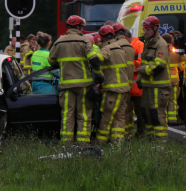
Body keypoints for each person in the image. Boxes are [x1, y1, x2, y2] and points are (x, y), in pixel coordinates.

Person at [49, 15, 102, 144]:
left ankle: (66, 143)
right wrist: (100, 76)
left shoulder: (59, 42)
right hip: (84, 85)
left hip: (66, 85)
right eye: (82, 27)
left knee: (67, 114)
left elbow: (51, 60)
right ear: (78, 27)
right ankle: (83, 143)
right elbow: (94, 61)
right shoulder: (84, 42)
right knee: (83, 114)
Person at [137, 16, 171, 140]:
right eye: (144, 29)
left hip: (158, 86)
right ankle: (150, 140)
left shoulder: (160, 44)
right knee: (147, 113)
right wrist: (140, 78)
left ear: (156, 28)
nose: (145, 32)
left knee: (157, 114)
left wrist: (142, 71)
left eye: (148, 29)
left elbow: (159, 65)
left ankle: (160, 142)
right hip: (148, 85)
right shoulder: (149, 42)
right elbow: (144, 62)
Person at [94, 25, 130, 144]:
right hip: (124, 89)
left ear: (102, 37)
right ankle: (118, 142)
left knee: (106, 116)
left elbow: (95, 60)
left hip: (112, 89)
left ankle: (101, 142)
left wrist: (98, 75)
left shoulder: (107, 49)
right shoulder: (120, 48)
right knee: (119, 116)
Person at [162, 33, 182, 125]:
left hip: (164, 79)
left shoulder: (161, 51)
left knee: (163, 100)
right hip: (174, 80)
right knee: (172, 99)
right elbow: (182, 64)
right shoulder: (176, 52)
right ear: (172, 40)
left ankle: (164, 118)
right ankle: (173, 119)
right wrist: (179, 67)